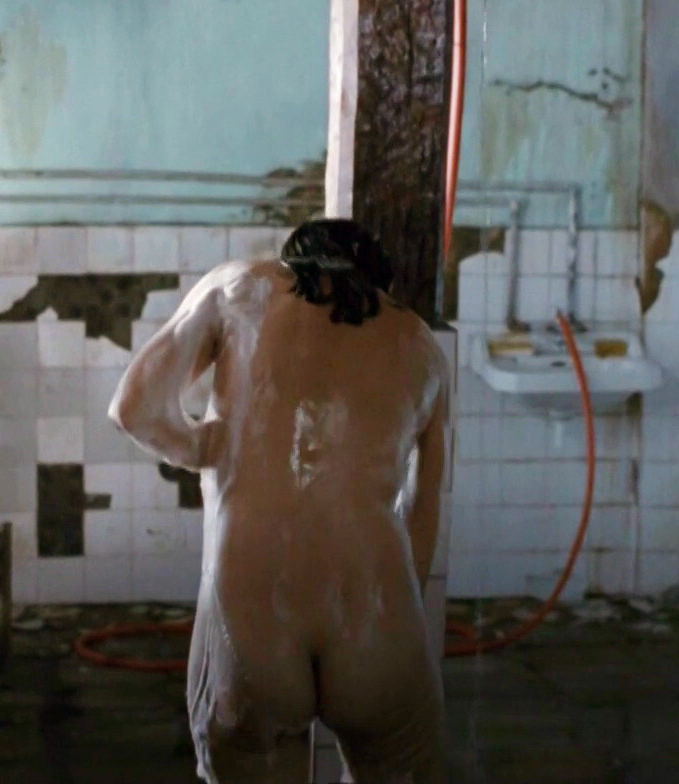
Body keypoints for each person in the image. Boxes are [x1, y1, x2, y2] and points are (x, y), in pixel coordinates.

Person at [110, 219, 450, 783]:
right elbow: (426, 502)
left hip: (251, 609)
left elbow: (133, 409)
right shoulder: (421, 344)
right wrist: (400, 616)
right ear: (377, 281)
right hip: (377, 606)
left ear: (293, 259)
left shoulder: (238, 288)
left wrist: (206, 447)